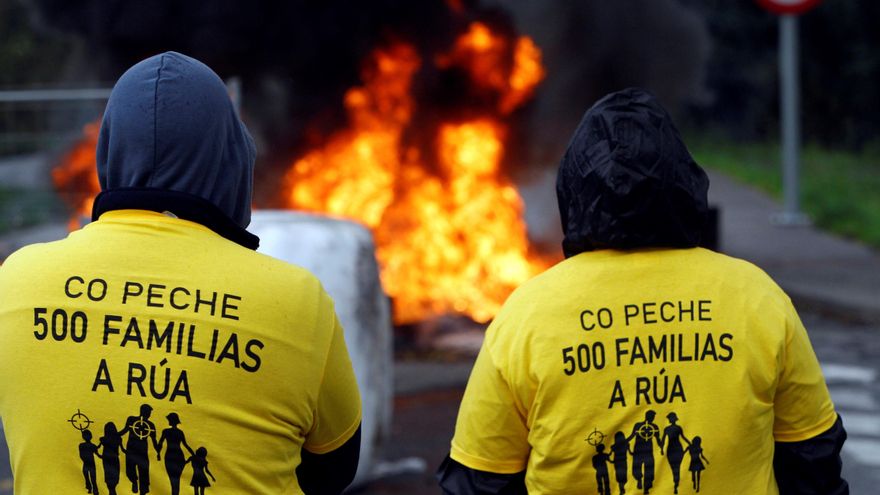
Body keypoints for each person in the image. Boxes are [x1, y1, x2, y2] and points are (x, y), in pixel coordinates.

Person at [437, 88, 848, 494]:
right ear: (684, 182)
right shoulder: (757, 297)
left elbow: (479, 479)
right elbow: (813, 459)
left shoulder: (526, 314)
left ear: (574, 190)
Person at [0, 51, 361, 494]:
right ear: (230, 157)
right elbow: (334, 470)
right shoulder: (297, 299)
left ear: (110, 148)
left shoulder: (16, 282)